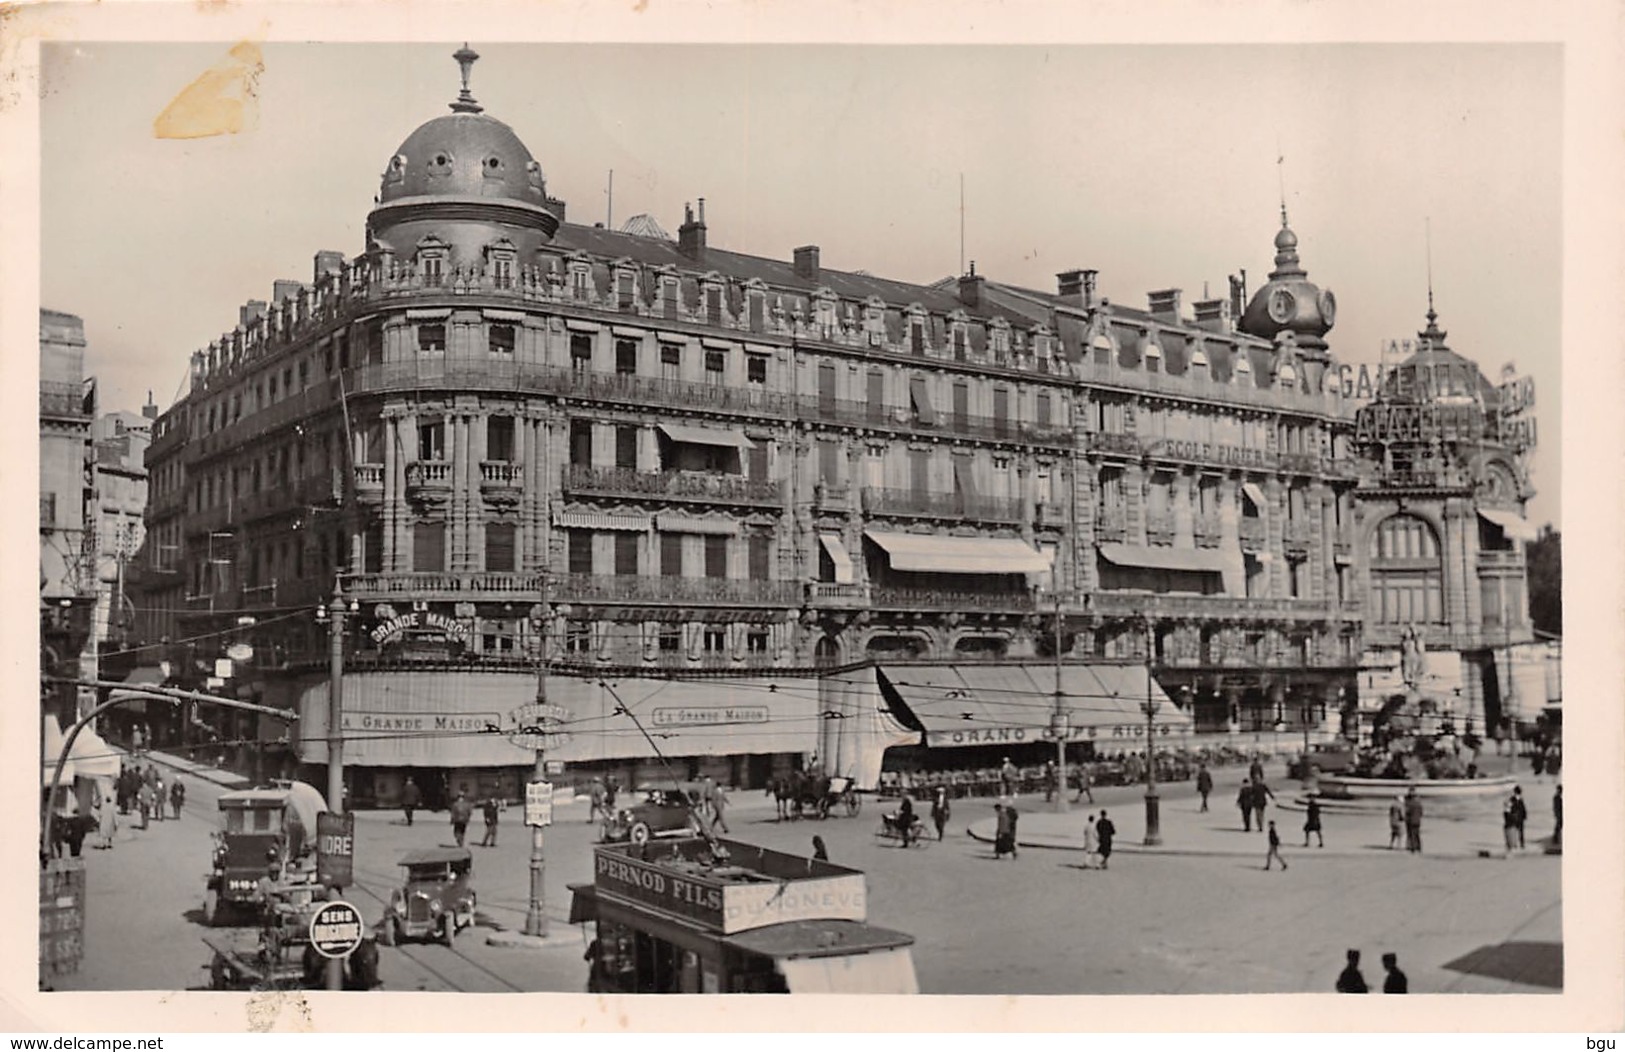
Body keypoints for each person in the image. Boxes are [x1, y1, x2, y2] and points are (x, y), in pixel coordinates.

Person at [1403, 788, 1424, 854]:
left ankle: (1413, 847)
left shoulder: (1410, 803)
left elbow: (1407, 811)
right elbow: (1421, 813)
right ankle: (1418, 847)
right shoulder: (1419, 803)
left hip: (1411, 820)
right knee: (1417, 834)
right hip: (1417, 820)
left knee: (1411, 834)